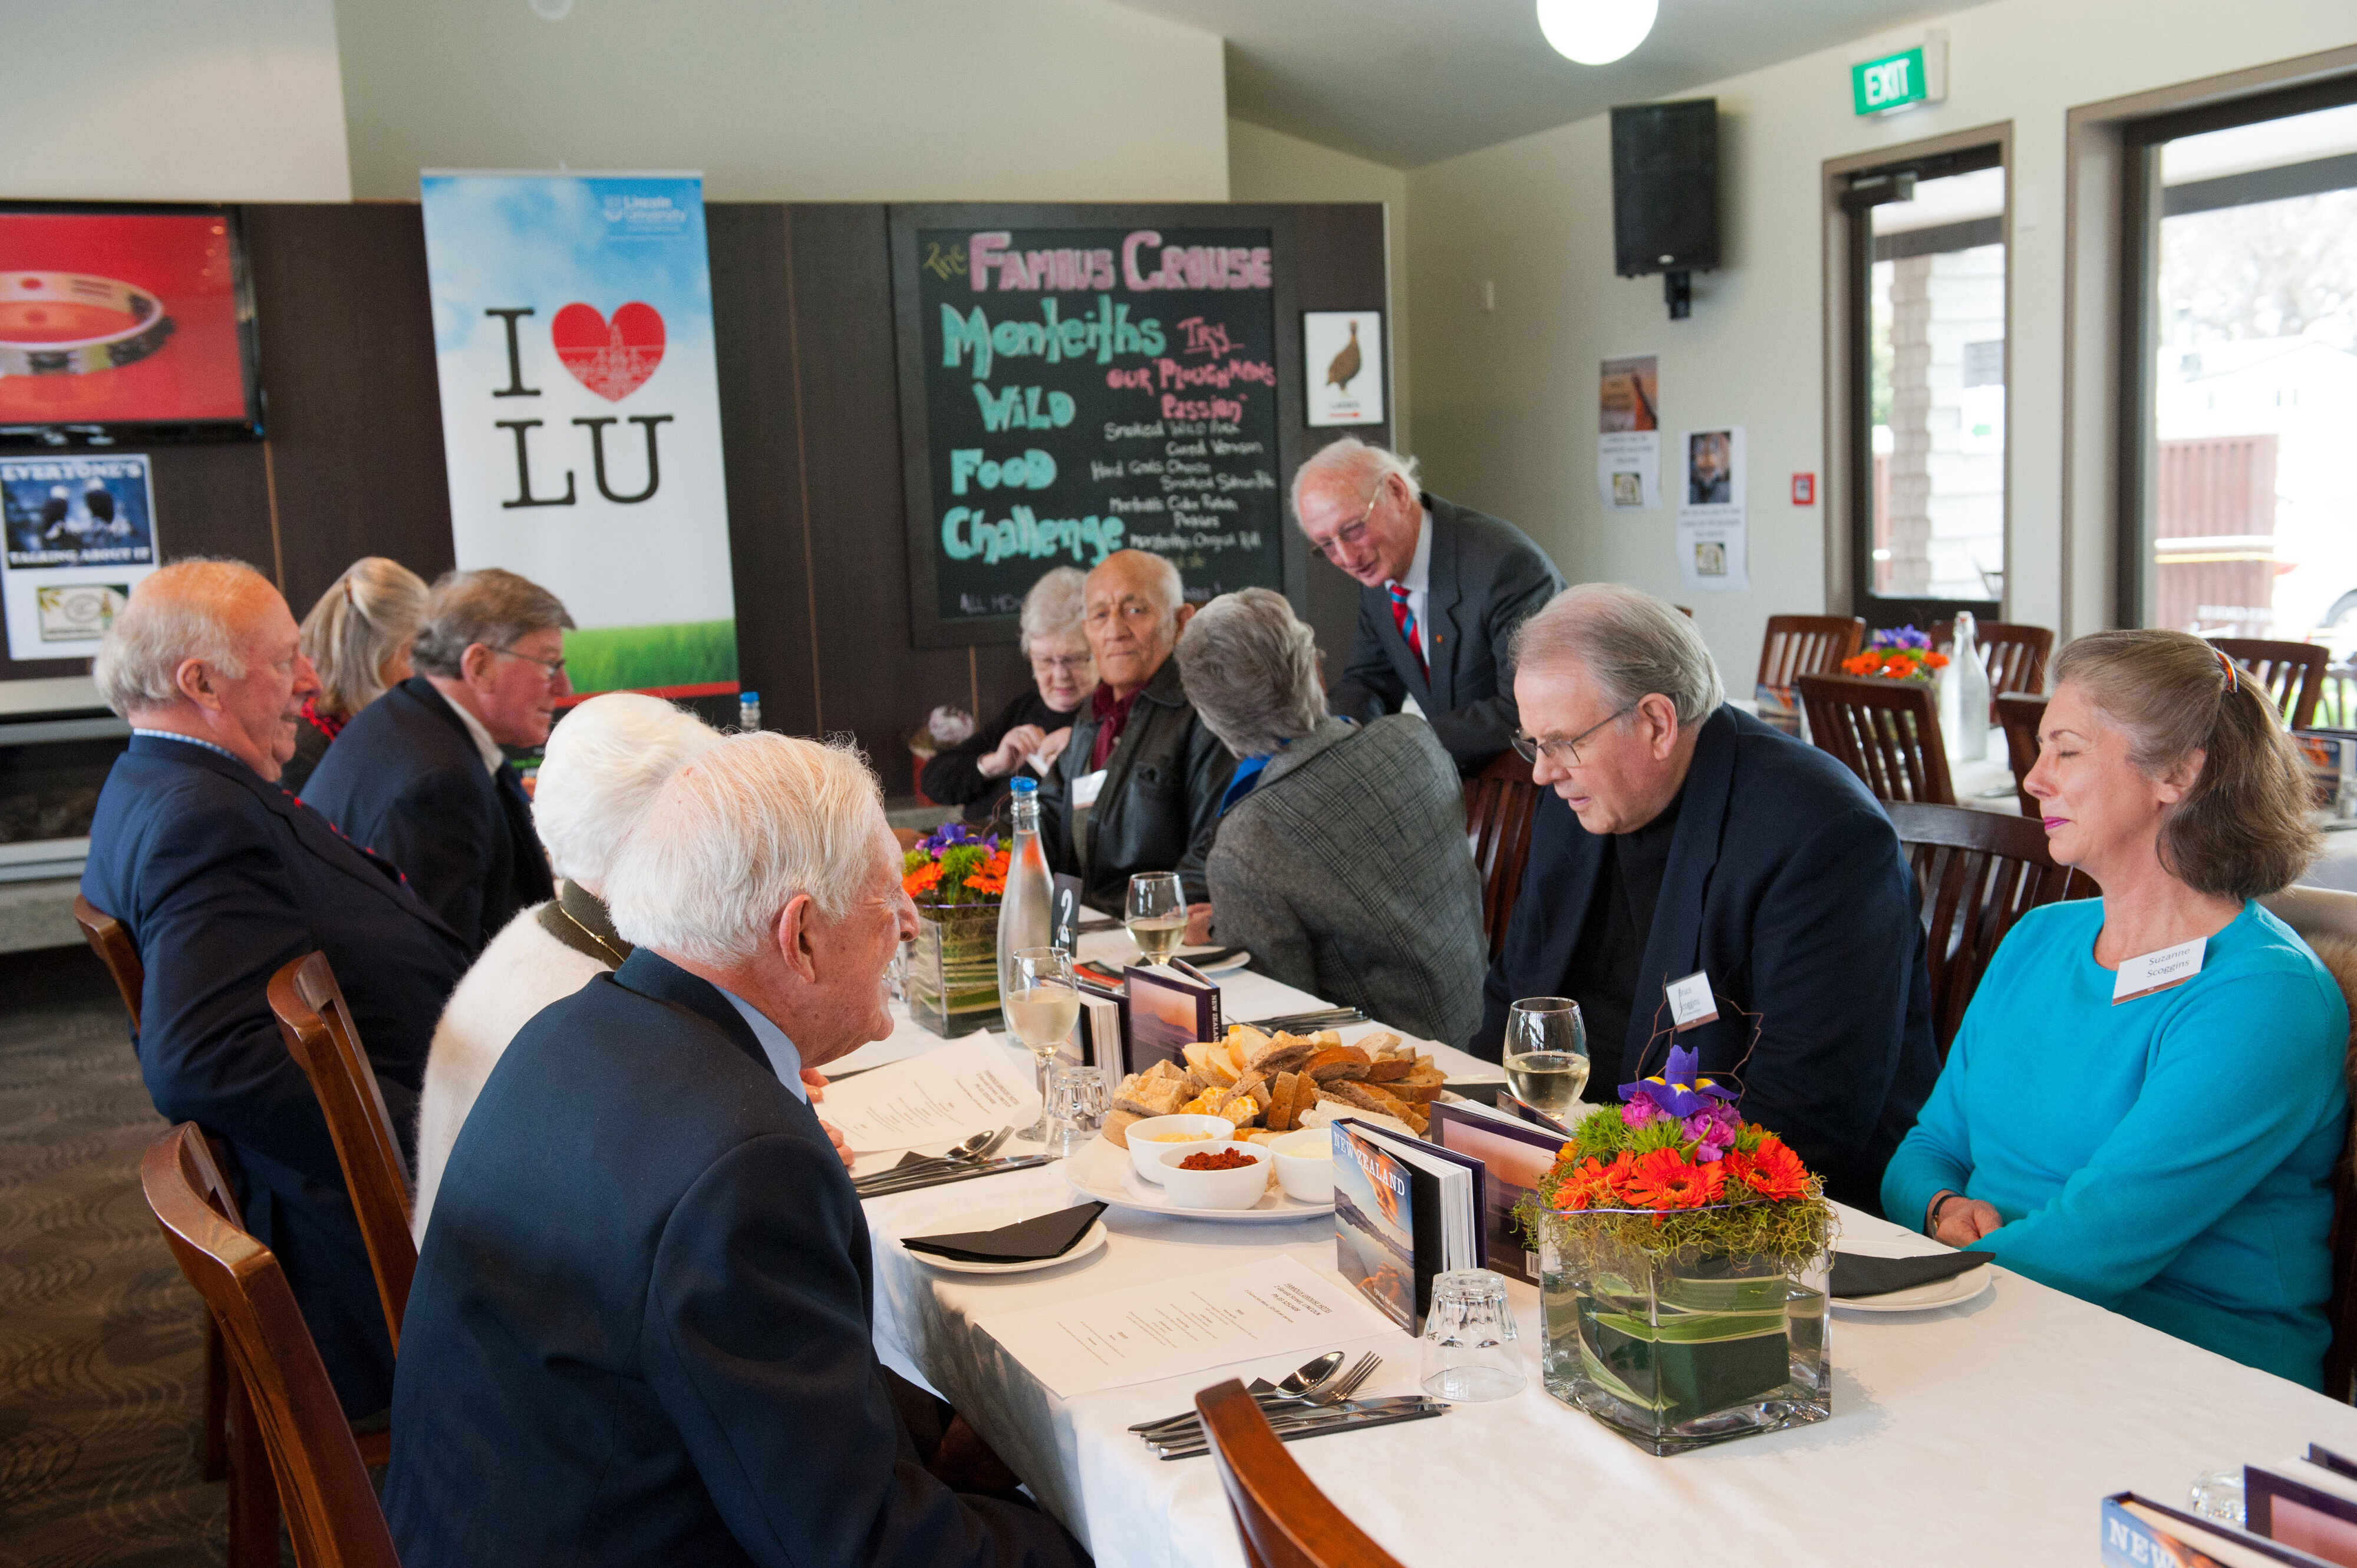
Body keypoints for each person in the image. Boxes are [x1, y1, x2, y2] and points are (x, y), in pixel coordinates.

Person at [384, 733, 1087, 1568]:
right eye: (887, 897)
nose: (908, 922)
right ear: (798, 938)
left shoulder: (571, 1028)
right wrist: (1112, 1537)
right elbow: (857, 1549)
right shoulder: (749, 1168)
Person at [1883, 631, 2349, 1388]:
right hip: (2001, 1319)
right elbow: (1925, 1148)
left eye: (2066, 751)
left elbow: (2093, 1248)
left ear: (2176, 773)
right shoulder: (2039, 938)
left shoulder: (2265, 998)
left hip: (2190, 1380)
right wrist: (1939, 1208)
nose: (2033, 780)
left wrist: (1899, 1299)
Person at [79, 559, 468, 1418]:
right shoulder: (198, 814)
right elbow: (204, 1059)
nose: (310, 681)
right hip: (361, 1245)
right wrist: (446, 1141)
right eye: (285, 659)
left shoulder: (161, 780)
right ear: (202, 681)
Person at [1472, 583, 1936, 1210]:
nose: (1542, 771)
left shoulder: (1821, 834)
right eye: (1535, 743)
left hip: (1767, 1211)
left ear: (1658, 723)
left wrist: (1610, 1188)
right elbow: (1515, 998)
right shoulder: (1576, 801)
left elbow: (1807, 1117)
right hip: (1578, 1171)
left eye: (1563, 742)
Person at [409, 692, 721, 1240]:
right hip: (530, 1307)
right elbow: (687, 1203)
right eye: (714, 820)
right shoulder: (589, 1008)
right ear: (651, 837)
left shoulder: (541, 933)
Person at [1175, 589, 1485, 1046]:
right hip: (1485, 1029)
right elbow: (1364, 891)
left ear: (1211, 715)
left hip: (1390, 1072)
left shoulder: (1247, 840)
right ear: (1314, 670)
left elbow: (1277, 1031)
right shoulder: (1412, 739)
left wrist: (1221, 938)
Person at [301, 567, 571, 954]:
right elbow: (442, 979)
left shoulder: (405, 717)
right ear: (479, 666)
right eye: (549, 665)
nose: (564, 687)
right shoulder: (439, 785)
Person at [1292, 438, 1564, 773]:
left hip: (1526, 786)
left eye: (1353, 530)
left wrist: (1397, 744)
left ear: (1397, 491)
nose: (1347, 558)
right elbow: (1371, 680)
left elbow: (1525, 710)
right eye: (1327, 546)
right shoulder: (1380, 568)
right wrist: (1342, 736)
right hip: (1453, 782)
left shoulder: (1506, 567)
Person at [1039, 550, 1233, 910]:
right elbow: (1044, 819)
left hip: (1157, 941)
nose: (1115, 630)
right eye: (1100, 614)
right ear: (1087, 631)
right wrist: (975, 851)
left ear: (1182, 622)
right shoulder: (1092, 717)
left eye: (1135, 610)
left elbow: (1216, 849)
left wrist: (1138, 922)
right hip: (1087, 934)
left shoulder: (1207, 714)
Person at [921, 566, 1097, 826]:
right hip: (979, 845)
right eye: (1046, 661)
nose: (1060, 675)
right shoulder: (1025, 709)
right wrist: (993, 764)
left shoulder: (1108, 719)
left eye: (1073, 660)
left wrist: (1077, 759)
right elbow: (934, 780)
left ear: (1099, 652)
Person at [283, 556, 429, 795]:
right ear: (372, 659)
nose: (419, 673)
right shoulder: (301, 749)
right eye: (410, 657)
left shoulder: (380, 723)